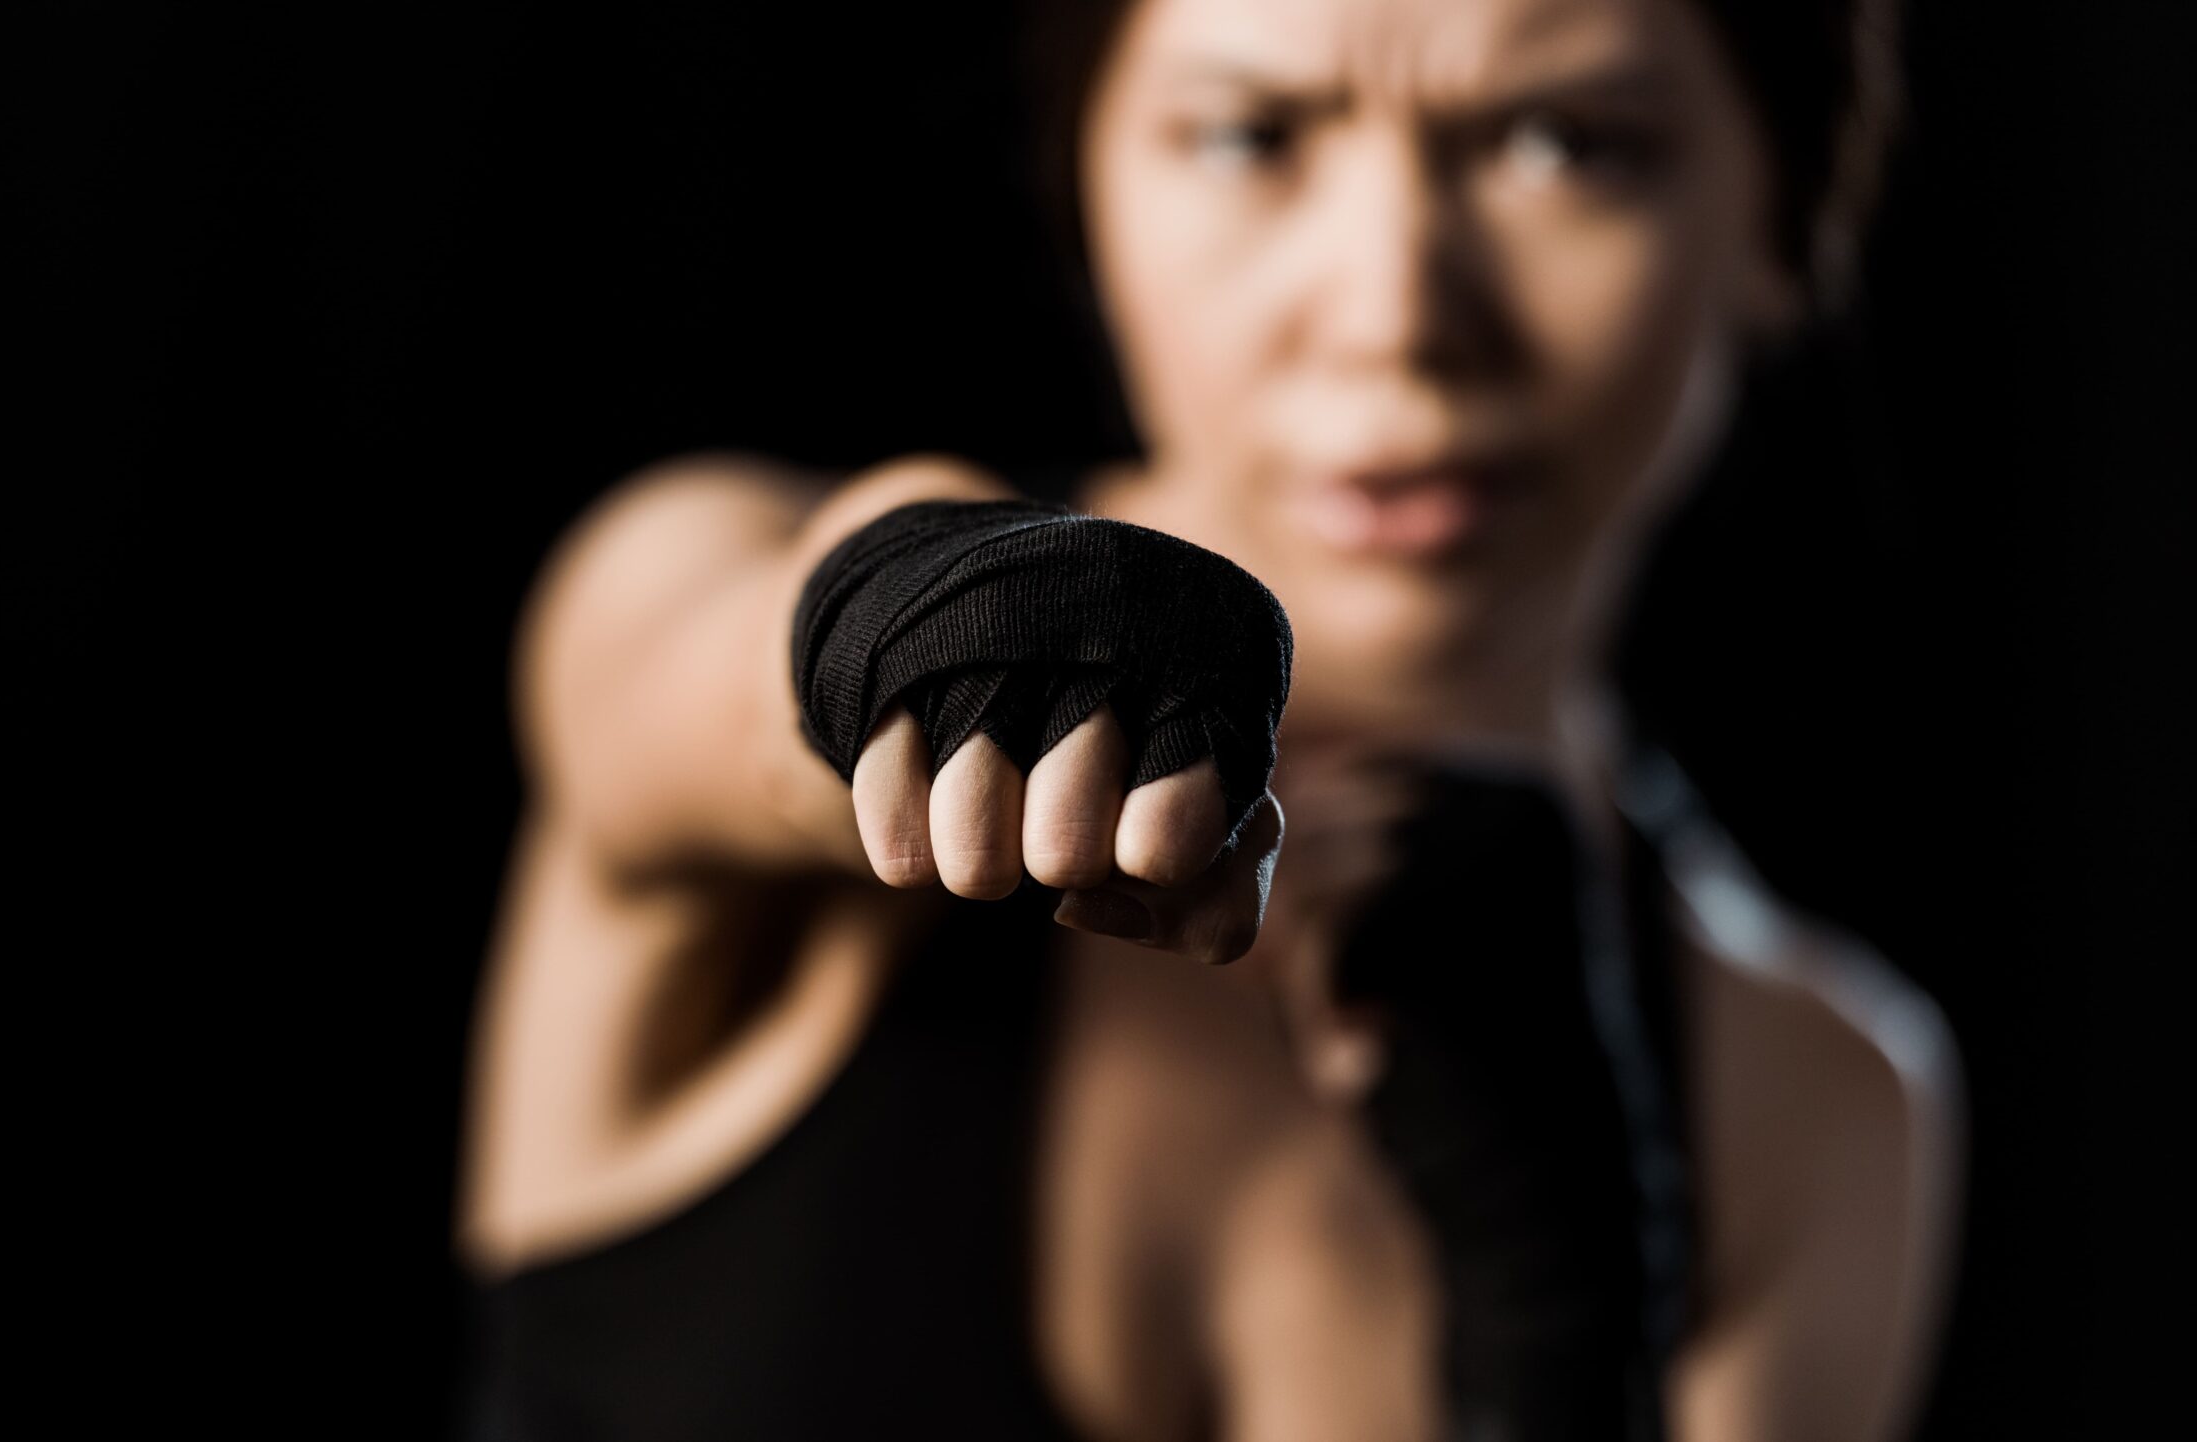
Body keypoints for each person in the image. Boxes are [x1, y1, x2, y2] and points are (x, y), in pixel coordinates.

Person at [456, 0, 1960, 1438]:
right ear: (1087, 177)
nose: (1398, 317)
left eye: (1566, 142)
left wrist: (1564, 1336)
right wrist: (917, 612)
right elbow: (677, 672)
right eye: (1251, 137)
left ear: (1788, 213)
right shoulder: (691, 612)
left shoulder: (1807, 1104)